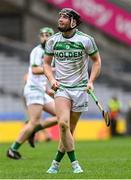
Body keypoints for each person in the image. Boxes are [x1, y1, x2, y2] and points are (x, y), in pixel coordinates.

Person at [43, 8, 101, 173]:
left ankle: (55, 163)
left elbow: (96, 61)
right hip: (62, 89)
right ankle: (75, 164)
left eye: (65, 17)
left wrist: (91, 81)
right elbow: (46, 63)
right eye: (60, 16)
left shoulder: (86, 40)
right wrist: (52, 80)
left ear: (73, 22)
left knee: (69, 131)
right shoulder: (53, 41)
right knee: (63, 124)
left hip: (80, 89)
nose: (60, 19)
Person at [7, 27, 58, 159]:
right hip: (33, 90)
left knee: (62, 115)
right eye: (42, 35)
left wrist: (48, 90)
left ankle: (33, 130)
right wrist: (53, 69)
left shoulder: (50, 52)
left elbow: (41, 76)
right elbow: (35, 71)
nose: (45, 37)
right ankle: (12, 150)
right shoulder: (37, 51)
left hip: (41, 90)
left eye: (48, 35)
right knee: (34, 121)